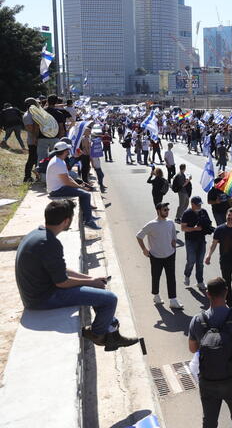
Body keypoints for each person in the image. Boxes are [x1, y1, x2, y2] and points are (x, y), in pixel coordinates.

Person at [15, 199, 137, 350]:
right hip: (42, 298)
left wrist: (90, 279)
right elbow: (62, 282)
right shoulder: (50, 243)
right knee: (110, 300)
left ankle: (112, 333)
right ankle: (98, 334)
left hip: (37, 293)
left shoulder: (37, 234)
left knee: (99, 290)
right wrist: (90, 283)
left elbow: (62, 269)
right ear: (66, 221)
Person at [188, 276, 232, 428]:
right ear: (226, 292)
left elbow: (192, 348)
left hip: (208, 380)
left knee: (209, 421)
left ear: (208, 294)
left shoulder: (197, 320)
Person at [136, 202, 183, 309]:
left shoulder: (171, 222)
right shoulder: (151, 224)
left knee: (171, 277)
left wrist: (173, 243)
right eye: (165, 210)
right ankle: (156, 295)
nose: (167, 211)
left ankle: (173, 300)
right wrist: (144, 249)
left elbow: (173, 236)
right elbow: (139, 236)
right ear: (158, 211)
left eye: (167, 209)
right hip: (156, 256)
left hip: (170, 255)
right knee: (156, 276)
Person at [45, 141, 100, 230]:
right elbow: (67, 182)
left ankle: (88, 216)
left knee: (83, 193)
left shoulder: (59, 160)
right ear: (65, 151)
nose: (69, 151)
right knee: (86, 194)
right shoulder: (58, 163)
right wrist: (80, 187)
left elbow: (68, 177)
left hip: (59, 187)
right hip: (56, 191)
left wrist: (79, 185)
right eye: (68, 149)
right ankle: (88, 221)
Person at [181, 196, 213, 291]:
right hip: (190, 240)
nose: (199, 206)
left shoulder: (203, 212)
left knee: (200, 262)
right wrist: (194, 229)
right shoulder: (187, 213)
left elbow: (208, 222)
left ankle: (200, 282)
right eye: (197, 204)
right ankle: (187, 275)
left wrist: (207, 227)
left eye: (200, 204)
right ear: (192, 204)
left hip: (201, 240)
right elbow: (183, 228)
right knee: (191, 260)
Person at [22, 98, 40, 182]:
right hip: (33, 141)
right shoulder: (28, 115)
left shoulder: (32, 114)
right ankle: (27, 177)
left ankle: (38, 176)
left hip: (35, 140)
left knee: (36, 159)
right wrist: (35, 138)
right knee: (32, 159)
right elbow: (30, 129)